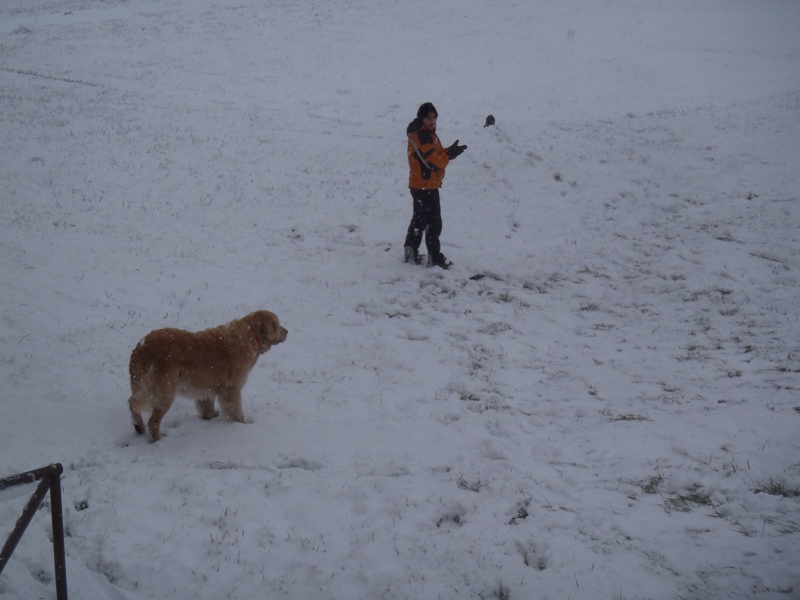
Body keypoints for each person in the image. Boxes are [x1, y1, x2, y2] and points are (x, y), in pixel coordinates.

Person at [403, 102, 467, 269]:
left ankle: (410, 251)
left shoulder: (427, 134)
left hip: (422, 184)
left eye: (434, 117)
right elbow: (434, 163)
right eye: (428, 118)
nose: (432, 121)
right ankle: (435, 258)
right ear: (421, 118)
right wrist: (449, 155)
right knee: (434, 222)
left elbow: (435, 154)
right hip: (425, 186)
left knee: (420, 219)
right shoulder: (422, 135)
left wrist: (448, 151)